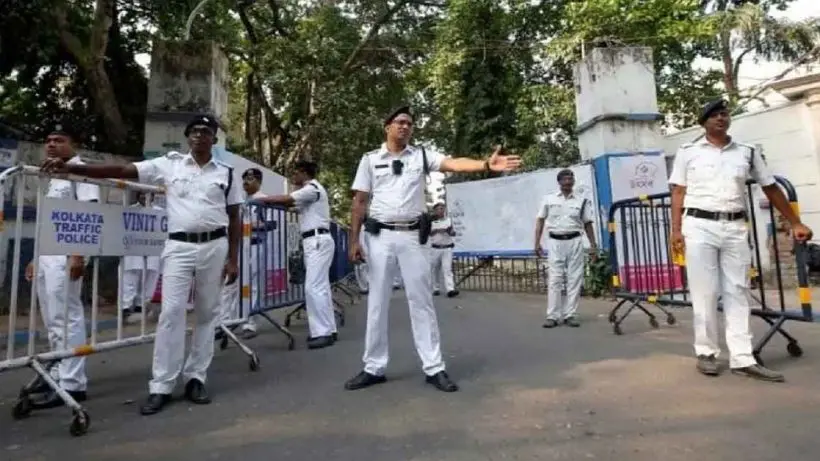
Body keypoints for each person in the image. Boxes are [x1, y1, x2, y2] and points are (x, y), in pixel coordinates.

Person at [40, 114, 243, 414]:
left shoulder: (227, 174)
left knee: (206, 314)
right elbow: (122, 169)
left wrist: (233, 259)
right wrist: (72, 168)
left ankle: (196, 377)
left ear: (214, 138)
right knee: (170, 314)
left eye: (207, 131)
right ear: (188, 137)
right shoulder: (167, 164)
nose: (200, 135)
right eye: (195, 131)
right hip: (178, 246)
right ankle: (161, 385)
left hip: (215, 245)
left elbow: (236, 216)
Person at [346, 105, 521, 392]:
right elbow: (359, 202)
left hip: (414, 238)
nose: (405, 127)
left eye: (410, 124)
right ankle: (373, 367)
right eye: (399, 122)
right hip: (380, 238)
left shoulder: (422, 156)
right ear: (387, 126)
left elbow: (453, 163)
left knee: (422, 302)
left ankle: (434, 366)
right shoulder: (369, 160)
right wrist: (354, 241)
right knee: (377, 303)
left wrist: (485, 165)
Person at [669, 99, 813, 382]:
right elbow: (678, 192)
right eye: (714, 115)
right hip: (698, 226)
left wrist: (794, 221)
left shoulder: (746, 152)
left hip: (735, 227)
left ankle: (742, 357)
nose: (721, 119)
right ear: (704, 123)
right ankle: (707, 353)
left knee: (738, 291)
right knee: (705, 292)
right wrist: (675, 231)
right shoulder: (688, 153)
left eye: (724, 114)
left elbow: (770, 187)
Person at [24, 124, 100, 409]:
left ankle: (73, 384)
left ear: (73, 144)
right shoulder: (54, 174)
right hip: (48, 254)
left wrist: (79, 255)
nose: (52, 144)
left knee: (67, 317)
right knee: (53, 320)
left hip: (67, 254)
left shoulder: (82, 171)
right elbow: (49, 220)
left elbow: (88, 214)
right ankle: (58, 372)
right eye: (48, 140)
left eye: (59, 140)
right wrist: (36, 256)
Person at [251, 160, 338, 349]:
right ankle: (328, 330)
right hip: (316, 240)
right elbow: (291, 207)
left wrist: (261, 200)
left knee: (313, 287)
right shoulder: (312, 193)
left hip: (316, 240)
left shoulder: (311, 188)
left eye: (295, 173)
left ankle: (322, 332)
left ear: (304, 173)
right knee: (320, 287)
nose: (293, 177)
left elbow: (287, 199)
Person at [534, 169, 597, 328]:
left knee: (574, 279)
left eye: (571, 179)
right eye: (565, 179)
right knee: (555, 279)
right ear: (559, 182)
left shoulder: (581, 201)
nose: (568, 182)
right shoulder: (548, 199)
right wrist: (536, 242)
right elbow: (540, 221)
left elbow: (588, 224)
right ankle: (552, 316)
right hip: (555, 241)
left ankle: (571, 314)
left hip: (575, 240)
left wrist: (593, 246)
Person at [218, 168, 270, 339]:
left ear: (259, 181)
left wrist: (246, 226)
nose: (246, 182)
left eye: (250, 178)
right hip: (238, 247)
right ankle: (225, 322)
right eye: (244, 179)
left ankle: (249, 323)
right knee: (230, 283)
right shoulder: (241, 200)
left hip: (255, 245)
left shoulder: (263, 199)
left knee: (252, 285)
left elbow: (267, 224)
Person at [120, 191, 163, 323]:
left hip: (153, 250)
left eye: (148, 195)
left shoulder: (160, 211)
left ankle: (141, 305)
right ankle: (125, 307)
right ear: (138, 196)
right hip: (134, 249)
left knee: (149, 278)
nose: (145, 197)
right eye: (142, 195)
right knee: (130, 278)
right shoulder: (130, 210)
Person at [429, 202, 459, 297]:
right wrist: (437, 230)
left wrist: (449, 231)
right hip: (435, 248)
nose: (440, 211)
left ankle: (450, 289)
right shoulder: (431, 221)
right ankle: (436, 288)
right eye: (438, 209)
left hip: (447, 247)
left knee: (447, 269)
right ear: (435, 211)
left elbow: (453, 233)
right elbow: (428, 234)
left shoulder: (449, 220)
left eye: (442, 209)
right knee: (434, 269)